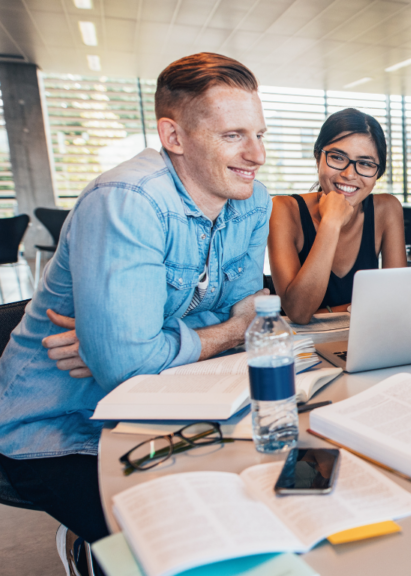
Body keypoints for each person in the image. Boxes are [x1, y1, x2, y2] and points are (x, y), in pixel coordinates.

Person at [0, 53, 271, 573]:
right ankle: (92, 551)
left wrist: (135, 340)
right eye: (234, 135)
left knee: (257, 504)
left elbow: (250, 312)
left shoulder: (251, 200)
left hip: (167, 402)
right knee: (191, 548)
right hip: (62, 424)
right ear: (174, 137)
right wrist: (224, 330)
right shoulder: (127, 200)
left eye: (260, 133)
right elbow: (132, 363)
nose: (256, 154)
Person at [268, 109, 406, 324]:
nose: (349, 174)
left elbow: (397, 302)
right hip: (305, 348)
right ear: (317, 157)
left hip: (367, 338)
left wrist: (325, 312)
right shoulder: (283, 209)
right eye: (337, 157)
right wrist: (331, 222)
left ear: (378, 173)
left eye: (366, 163)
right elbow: (298, 312)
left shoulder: (386, 209)